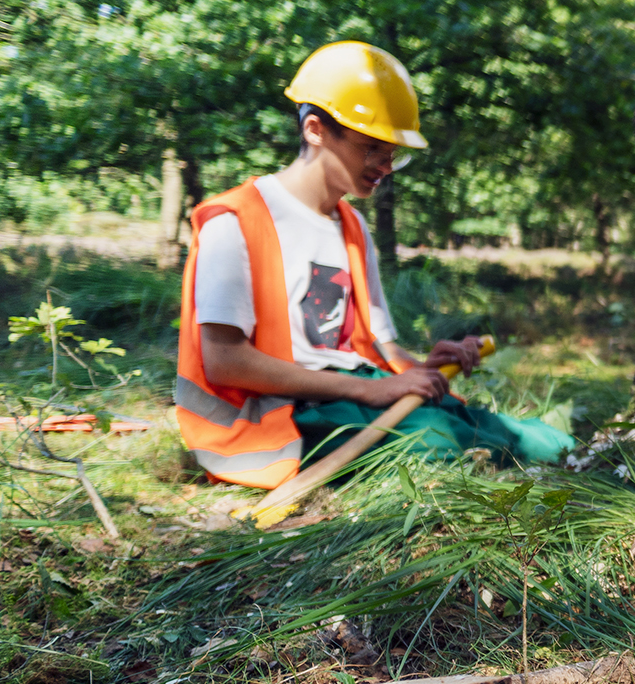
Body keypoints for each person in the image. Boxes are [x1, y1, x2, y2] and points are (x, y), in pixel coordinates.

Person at [174, 40, 574, 490]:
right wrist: (368, 389)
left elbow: (370, 353)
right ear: (315, 130)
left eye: (393, 154)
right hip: (278, 416)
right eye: (372, 149)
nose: (386, 167)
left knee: (515, 435)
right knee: (446, 444)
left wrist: (420, 367)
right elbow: (224, 361)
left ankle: (583, 454)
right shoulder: (233, 222)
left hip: (348, 395)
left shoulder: (351, 227)